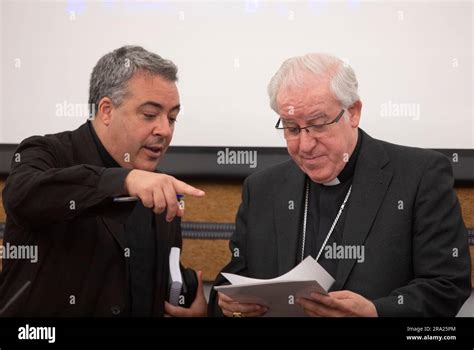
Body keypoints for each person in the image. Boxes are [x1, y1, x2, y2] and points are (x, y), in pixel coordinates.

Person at [209, 53, 471, 317]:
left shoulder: (420, 176)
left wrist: (376, 313)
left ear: (353, 112)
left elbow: (447, 284)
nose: (305, 145)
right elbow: (232, 282)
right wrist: (229, 307)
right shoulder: (262, 189)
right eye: (292, 128)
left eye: (318, 125)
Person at [0, 45, 207, 317]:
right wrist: (123, 181)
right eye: (149, 115)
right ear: (106, 110)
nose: (165, 131)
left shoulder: (160, 189)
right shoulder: (46, 152)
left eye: (172, 118)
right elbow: (22, 196)